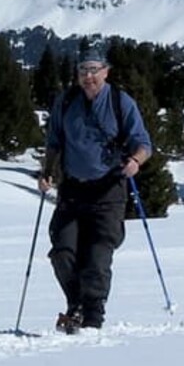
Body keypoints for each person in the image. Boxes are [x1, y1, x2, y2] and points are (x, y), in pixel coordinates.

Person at [37, 41, 153, 333]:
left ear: (106, 72)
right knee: (62, 252)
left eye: (93, 70)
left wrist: (135, 161)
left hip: (109, 190)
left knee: (97, 256)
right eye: (82, 70)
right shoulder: (66, 102)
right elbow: (54, 143)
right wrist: (47, 172)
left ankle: (92, 319)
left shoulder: (120, 102)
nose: (88, 76)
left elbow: (143, 143)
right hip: (73, 190)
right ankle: (76, 304)